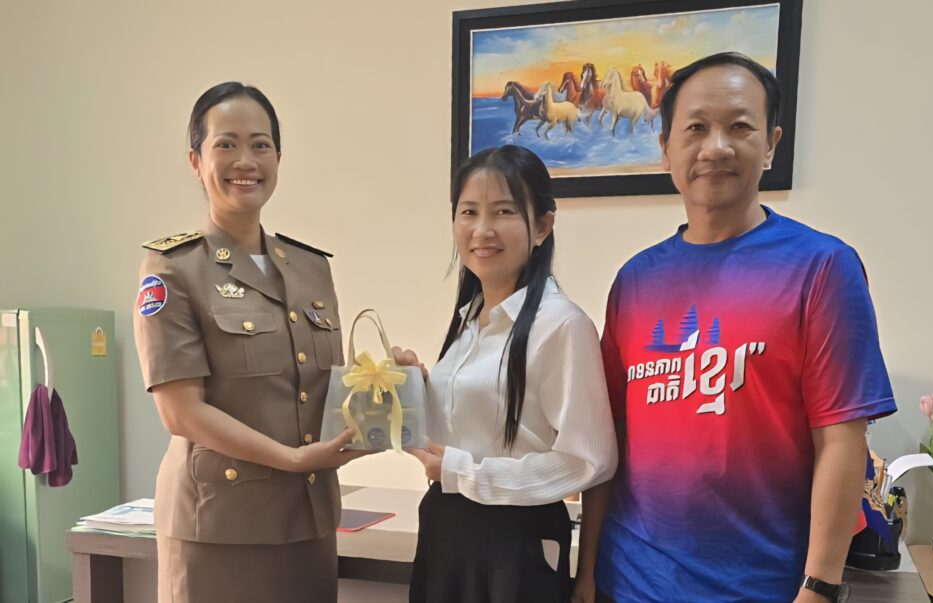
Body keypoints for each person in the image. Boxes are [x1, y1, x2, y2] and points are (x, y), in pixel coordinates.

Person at [574, 53, 897, 603]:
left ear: (771, 144)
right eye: (696, 128)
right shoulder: (634, 280)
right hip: (628, 581)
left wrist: (819, 587)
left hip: (762, 587)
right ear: (666, 149)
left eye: (740, 127)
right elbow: (611, 437)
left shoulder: (823, 267)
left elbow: (842, 440)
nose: (716, 147)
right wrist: (587, 574)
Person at [133, 82, 369, 603]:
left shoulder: (310, 267)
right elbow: (180, 412)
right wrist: (292, 459)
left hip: (308, 519)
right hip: (219, 525)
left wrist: (388, 382)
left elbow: (321, 389)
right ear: (196, 161)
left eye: (261, 145)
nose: (246, 161)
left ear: (278, 158)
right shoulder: (173, 269)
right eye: (226, 144)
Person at [398, 145, 618, 603]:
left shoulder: (562, 325)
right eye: (468, 212)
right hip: (445, 529)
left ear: (542, 226)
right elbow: (468, 432)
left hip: (516, 541)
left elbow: (587, 461)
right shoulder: (469, 319)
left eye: (503, 211)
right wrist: (416, 389)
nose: (482, 230)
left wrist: (464, 473)